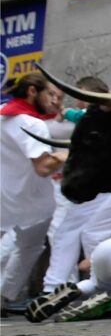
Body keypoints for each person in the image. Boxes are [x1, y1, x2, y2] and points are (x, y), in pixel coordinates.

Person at [0, 73, 64, 314]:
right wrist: (68, 154)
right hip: (30, 202)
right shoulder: (32, 124)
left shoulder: (5, 114)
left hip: (6, 196)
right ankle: (4, 295)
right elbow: (43, 167)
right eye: (50, 94)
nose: (54, 100)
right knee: (28, 248)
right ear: (32, 92)